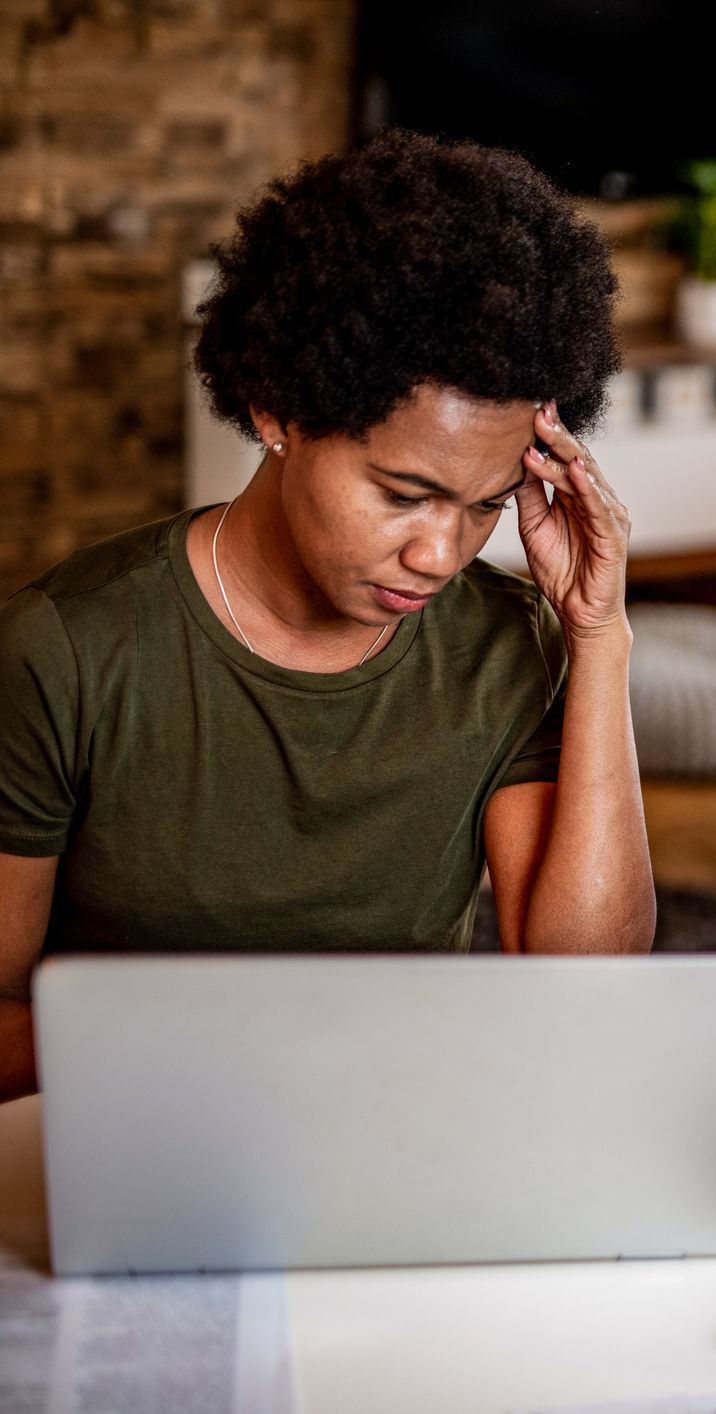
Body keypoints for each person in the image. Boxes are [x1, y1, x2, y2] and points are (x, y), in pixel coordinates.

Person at [0, 132, 657, 1104]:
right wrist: (220, 1058)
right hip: (138, 1127)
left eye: (484, 506)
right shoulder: (68, 651)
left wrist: (598, 636)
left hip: (392, 1124)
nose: (440, 554)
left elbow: (583, 987)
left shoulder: (505, 643)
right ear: (279, 410)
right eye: (402, 493)